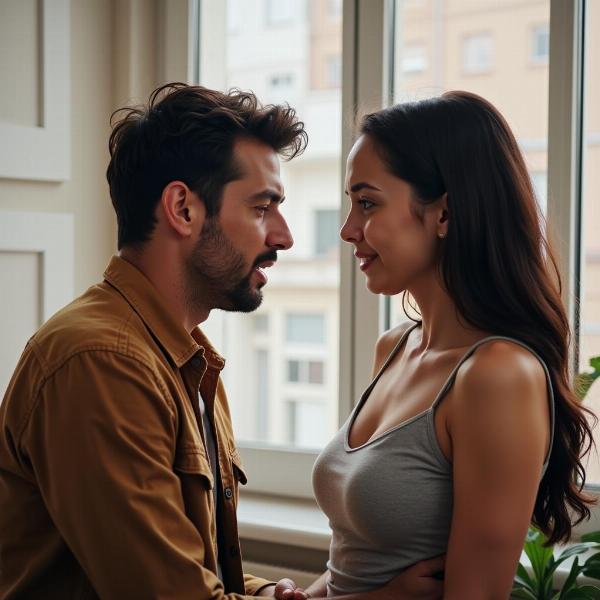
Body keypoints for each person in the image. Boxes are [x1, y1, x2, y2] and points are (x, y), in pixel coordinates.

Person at [0, 83, 442, 600]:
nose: (284, 236)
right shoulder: (102, 363)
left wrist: (265, 594)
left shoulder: (187, 358)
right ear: (183, 209)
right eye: (262, 208)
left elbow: (186, 572)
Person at [310, 91, 597, 598]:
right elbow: (347, 570)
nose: (348, 229)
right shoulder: (394, 348)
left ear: (445, 212)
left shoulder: (498, 374)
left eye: (368, 202)